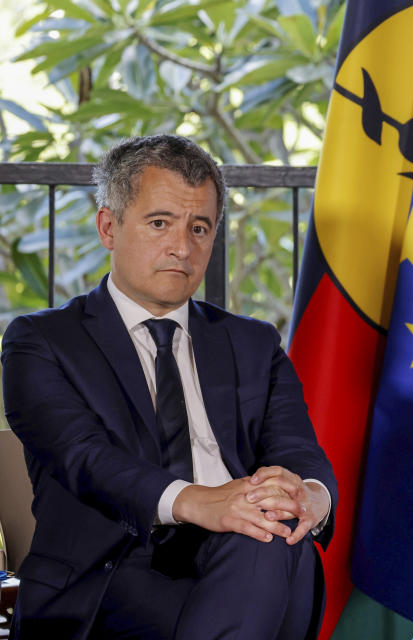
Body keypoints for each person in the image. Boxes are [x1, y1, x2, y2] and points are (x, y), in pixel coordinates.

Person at [1, 135, 337, 640]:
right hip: (109, 572)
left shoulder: (253, 342)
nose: (183, 247)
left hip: (245, 551)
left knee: (269, 537)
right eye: (160, 223)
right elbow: (84, 459)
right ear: (108, 226)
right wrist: (200, 500)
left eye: (199, 228)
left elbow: (297, 449)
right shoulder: (41, 340)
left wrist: (309, 497)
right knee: (265, 547)